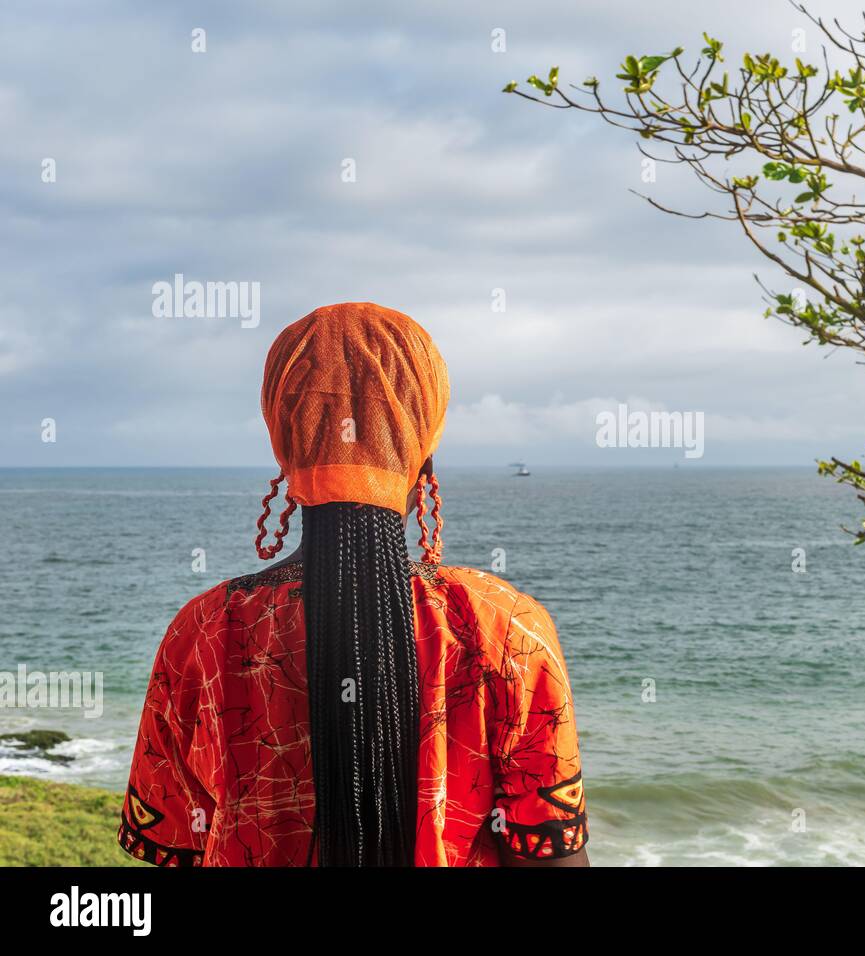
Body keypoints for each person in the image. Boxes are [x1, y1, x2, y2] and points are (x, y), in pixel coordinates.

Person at [117, 302, 589, 867]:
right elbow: (549, 854)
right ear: (423, 458)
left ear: (284, 450)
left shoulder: (202, 632)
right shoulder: (504, 626)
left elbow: (176, 840)